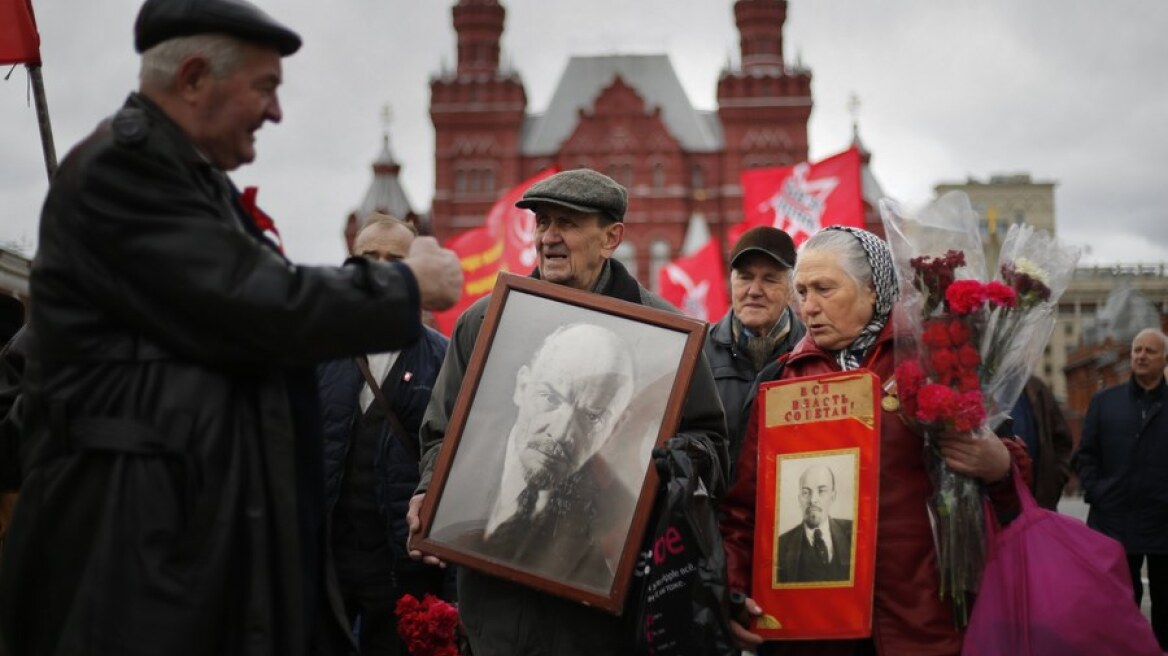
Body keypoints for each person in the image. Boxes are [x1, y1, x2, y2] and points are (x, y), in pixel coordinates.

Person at [0, 1, 463, 653]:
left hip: (169, 554)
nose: (275, 111)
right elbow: (263, 303)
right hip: (128, 564)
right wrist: (406, 284)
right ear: (193, 78)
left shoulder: (188, 183)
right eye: (266, 87)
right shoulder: (126, 171)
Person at [406, 168, 729, 656]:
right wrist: (433, 488)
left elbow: (711, 445)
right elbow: (440, 430)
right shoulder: (485, 322)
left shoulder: (669, 339)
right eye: (542, 223)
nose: (549, 238)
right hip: (495, 606)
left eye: (568, 224)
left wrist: (671, 463)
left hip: (597, 613)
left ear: (611, 237)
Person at [720, 226, 1032, 655]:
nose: (808, 308)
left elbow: (1013, 488)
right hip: (809, 631)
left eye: (824, 289)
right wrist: (735, 594)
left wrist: (999, 465)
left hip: (919, 624)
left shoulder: (934, 363)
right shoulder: (779, 381)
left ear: (873, 290)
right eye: (802, 291)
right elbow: (742, 511)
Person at [317, 214, 452, 656]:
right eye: (367, 256)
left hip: (402, 574)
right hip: (323, 566)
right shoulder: (314, 349)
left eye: (396, 259)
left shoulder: (446, 360)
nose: (380, 268)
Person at [443, 322, 637, 591]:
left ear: (616, 427)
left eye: (592, 416)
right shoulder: (456, 452)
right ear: (522, 386)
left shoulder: (620, 519)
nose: (561, 433)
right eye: (550, 398)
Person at [1074, 327, 1168, 649]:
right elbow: (1085, 455)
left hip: (1163, 524)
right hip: (1114, 523)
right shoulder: (1105, 402)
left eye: (1150, 351)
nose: (1140, 356)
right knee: (1118, 606)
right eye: (1136, 350)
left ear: (1165, 359)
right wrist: (1098, 492)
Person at [703, 227, 805, 478]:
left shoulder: (814, 355)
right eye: (745, 277)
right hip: (718, 515)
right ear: (731, 283)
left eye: (769, 279)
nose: (755, 290)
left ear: (791, 289)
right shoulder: (697, 354)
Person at [776, 464, 852, 583]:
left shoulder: (854, 533)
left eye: (821, 491)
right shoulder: (780, 546)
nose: (812, 500)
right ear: (799, 498)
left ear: (833, 496)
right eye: (806, 492)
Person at [1008, 375, 1074, 509]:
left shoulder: (1036, 388)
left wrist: (1055, 481)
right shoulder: (978, 383)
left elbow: (1062, 441)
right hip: (993, 508)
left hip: (1038, 502)